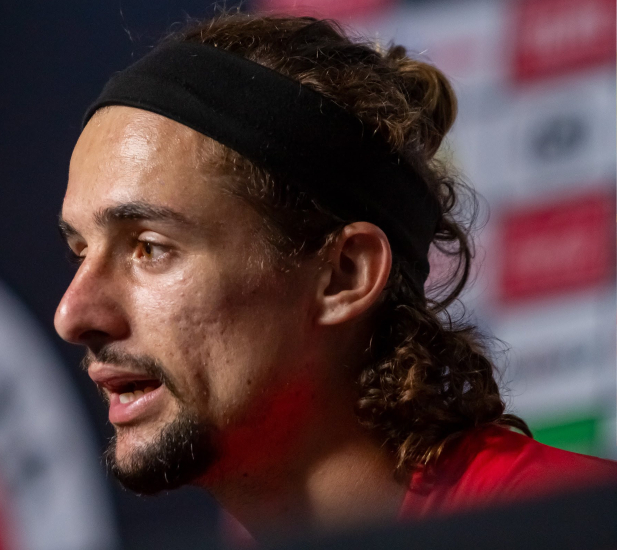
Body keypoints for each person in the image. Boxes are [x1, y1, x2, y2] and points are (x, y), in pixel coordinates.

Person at [53, 12, 617, 536]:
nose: (72, 315)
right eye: (80, 252)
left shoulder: (570, 527)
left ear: (346, 274)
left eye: (149, 248)